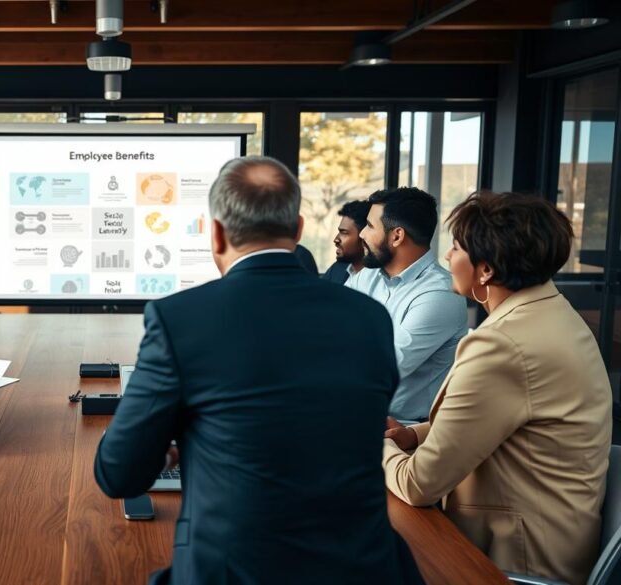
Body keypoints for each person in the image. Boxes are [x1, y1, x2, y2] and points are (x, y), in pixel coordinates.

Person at [94, 156, 422, 585]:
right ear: (299, 229)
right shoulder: (370, 318)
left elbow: (118, 472)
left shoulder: (180, 319)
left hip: (234, 572)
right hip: (363, 568)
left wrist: (174, 445)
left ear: (215, 233)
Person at [383, 192, 612, 585]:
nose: (446, 259)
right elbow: (508, 421)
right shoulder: (553, 312)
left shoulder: (503, 343)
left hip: (515, 561)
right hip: (560, 536)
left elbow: (419, 484)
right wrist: (411, 435)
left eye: (455, 248)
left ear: (485, 270)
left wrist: (376, 444)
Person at [349, 188, 467, 422]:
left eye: (370, 226)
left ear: (397, 236)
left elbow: (380, 368)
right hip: (357, 417)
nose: (361, 234)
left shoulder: (441, 294)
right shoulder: (367, 277)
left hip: (404, 433)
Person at [322, 199, 369, 285]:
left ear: (364, 236)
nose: (336, 240)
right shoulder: (336, 270)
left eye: (344, 233)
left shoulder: (380, 279)